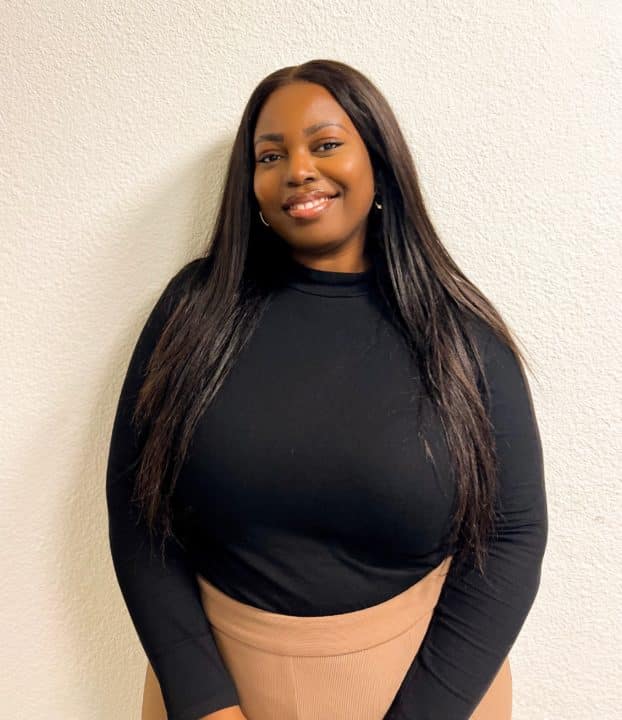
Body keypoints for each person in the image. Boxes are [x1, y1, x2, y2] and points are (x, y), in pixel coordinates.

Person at [106, 59, 548, 720]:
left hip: (428, 694)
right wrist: (204, 704)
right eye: (271, 154)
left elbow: (514, 535)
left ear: (379, 162)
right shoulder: (193, 312)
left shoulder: (460, 335)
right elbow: (138, 513)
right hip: (211, 696)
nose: (298, 169)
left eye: (326, 144)